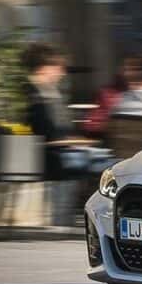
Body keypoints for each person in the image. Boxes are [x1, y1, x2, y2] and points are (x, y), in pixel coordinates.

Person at [23, 42, 110, 223]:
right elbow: (49, 133)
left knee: (107, 162)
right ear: (44, 68)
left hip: (61, 153)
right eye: (58, 67)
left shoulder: (46, 93)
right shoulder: (38, 97)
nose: (62, 73)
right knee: (112, 167)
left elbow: (58, 130)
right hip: (55, 157)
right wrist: (78, 142)